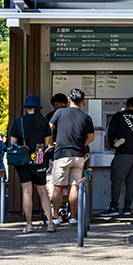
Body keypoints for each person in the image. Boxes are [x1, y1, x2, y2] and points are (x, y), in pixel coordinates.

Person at [8, 94, 57, 233]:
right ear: (37, 108)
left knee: (27, 191)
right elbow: (48, 142)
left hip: (23, 161)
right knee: (43, 191)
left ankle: (29, 224)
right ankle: (50, 223)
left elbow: (12, 142)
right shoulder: (43, 121)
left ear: (26, 108)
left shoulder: (19, 121)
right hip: (39, 158)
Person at [47, 88, 94, 226]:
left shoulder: (59, 112)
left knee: (58, 187)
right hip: (78, 156)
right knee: (75, 187)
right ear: (82, 102)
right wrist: (82, 143)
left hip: (61, 154)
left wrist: (51, 144)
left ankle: (56, 217)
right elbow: (91, 137)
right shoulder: (86, 117)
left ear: (69, 99)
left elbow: (50, 127)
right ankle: (73, 217)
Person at [100, 97, 133, 218]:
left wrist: (111, 145)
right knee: (130, 181)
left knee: (117, 180)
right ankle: (127, 208)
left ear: (127, 105)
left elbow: (111, 133)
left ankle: (114, 206)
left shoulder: (119, 116)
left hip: (123, 152)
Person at [46, 93, 70, 221]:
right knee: (71, 184)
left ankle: (56, 213)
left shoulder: (51, 116)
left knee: (55, 184)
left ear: (55, 103)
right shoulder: (73, 115)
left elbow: (47, 133)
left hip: (55, 154)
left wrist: (50, 145)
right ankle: (68, 209)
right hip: (73, 154)